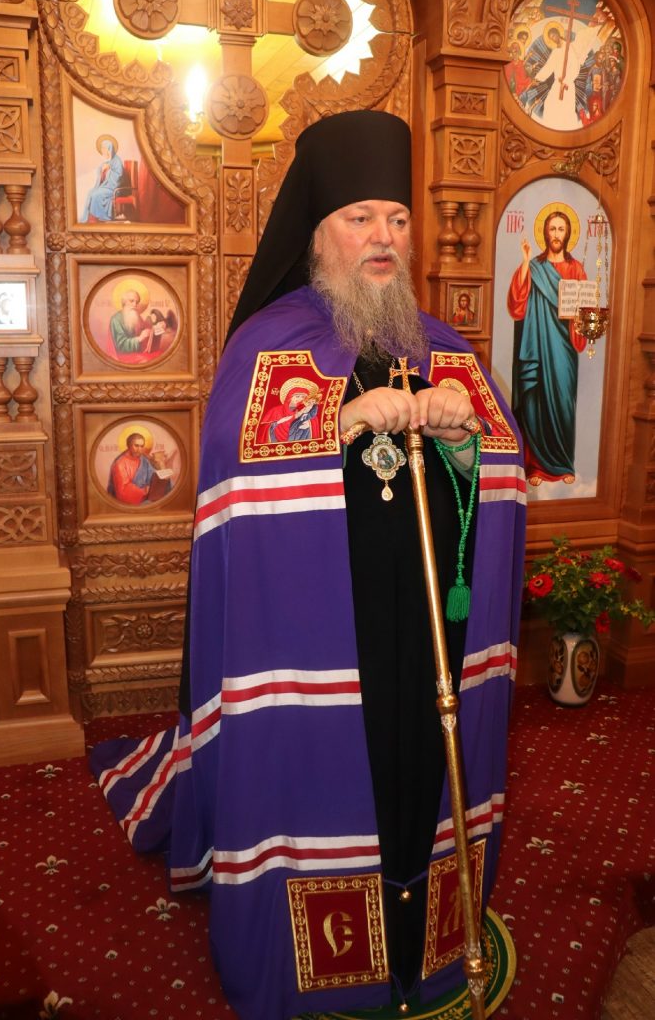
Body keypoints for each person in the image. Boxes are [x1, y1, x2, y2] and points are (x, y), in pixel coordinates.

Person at [91, 111, 526, 1020]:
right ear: (318, 234)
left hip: (427, 629)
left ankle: (426, 927)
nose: (383, 238)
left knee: (418, 761)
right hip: (317, 631)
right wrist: (344, 421)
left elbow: (500, 473)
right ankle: (324, 958)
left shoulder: (443, 346)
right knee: (333, 775)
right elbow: (237, 482)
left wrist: (462, 439)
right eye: (360, 219)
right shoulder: (268, 343)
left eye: (395, 220)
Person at [507, 210, 587, 486]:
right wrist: (525, 261)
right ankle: (536, 467)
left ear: (568, 234)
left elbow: (584, 310)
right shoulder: (535, 266)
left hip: (564, 349)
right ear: (545, 232)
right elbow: (517, 305)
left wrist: (583, 319)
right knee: (536, 401)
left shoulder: (576, 269)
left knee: (564, 402)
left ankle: (563, 464)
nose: (556, 234)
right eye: (552, 229)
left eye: (561, 229)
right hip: (536, 348)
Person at [107, 432, 172, 504]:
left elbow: (154, 476)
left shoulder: (144, 459)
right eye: (136, 446)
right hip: (134, 501)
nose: (139, 449)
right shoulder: (120, 463)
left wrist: (161, 465)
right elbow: (123, 490)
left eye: (141, 446)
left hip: (148, 497)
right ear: (129, 445)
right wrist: (145, 491)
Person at [80, 135, 125, 223]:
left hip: (114, 188)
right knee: (90, 193)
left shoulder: (117, 161)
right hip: (106, 187)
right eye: (102, 149)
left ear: (109, 149)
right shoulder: (109, 161)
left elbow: (119, 177)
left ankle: (100, 217)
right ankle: (91, 218)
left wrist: (108, 170)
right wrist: (102, 169)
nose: (102, 151)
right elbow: (101, 173)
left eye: (104, 149)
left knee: (96, 194)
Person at [108, 289, 153, 359]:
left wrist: (155, 329)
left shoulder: (137, 317)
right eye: (132, 301)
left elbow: (145, 331)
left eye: (137, 302)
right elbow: (121, 345)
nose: (135, 305)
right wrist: (140, 338)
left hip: (138, 353)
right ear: (124, 302)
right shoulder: (116, 319)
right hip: (123, 356)